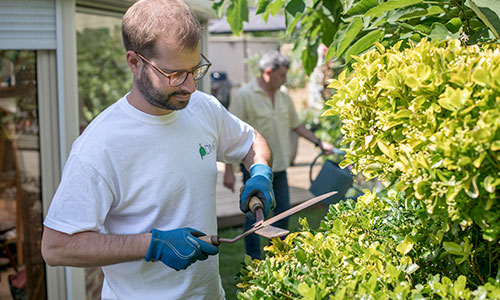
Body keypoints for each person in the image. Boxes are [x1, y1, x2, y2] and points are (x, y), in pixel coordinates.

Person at [40, 1, 275, 299]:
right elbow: (56, 246)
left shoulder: (202, 108)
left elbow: (253, 140)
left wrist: (260, 171)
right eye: (175, 74)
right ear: (134, 63)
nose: (190, 86)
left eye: (195, 69)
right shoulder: (100, 146)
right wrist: (152, 245)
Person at [224, 51, 334, 260]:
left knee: (283, 210)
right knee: (254, 216)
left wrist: (319, 143)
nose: (285, 80)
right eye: (282, 75)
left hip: (280, 166)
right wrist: (228, 170)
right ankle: (254, 260)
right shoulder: (245, 96)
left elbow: (297, 126)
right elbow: (230, 134)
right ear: (267, 72)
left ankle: (277, 255)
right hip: (254, 168)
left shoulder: (284, 96)